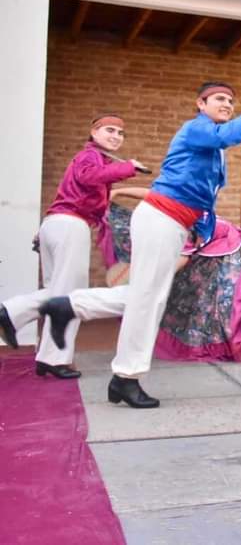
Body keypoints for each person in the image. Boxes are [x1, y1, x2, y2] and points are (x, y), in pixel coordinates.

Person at [41, 82, 241, 408]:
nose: (227, 104)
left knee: (146, 297)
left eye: (231, 101)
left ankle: (72, 309)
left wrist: (199, 230)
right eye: (220, 99)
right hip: (162, 219)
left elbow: (201, 193)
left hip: (173, 223)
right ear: (201, 103)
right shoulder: (198, 128)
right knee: (147, 300)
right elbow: (222, 137)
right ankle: (125, 375)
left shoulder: (212, 146)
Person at [0, 114, 145, 378]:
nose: (116, 136)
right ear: (94, 132)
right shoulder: (90, 157)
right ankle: (45, 348)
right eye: (109, 130)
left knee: (58, 291)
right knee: (70, 297)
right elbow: (90, 177)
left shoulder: (95, 159)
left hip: (56, 224)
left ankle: (44, 354)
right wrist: (127, 168)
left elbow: (76, 194)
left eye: (120, 133)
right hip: (70, 225)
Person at [98, 190, 241, 362]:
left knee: (221, 302)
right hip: (209, 251)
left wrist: (147, 279)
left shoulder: (191, 227)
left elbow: (181, 261)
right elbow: (152, 195)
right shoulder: (176, 207)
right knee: (201, 296)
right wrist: (118, 191)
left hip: (224, 254)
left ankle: (227, 341)